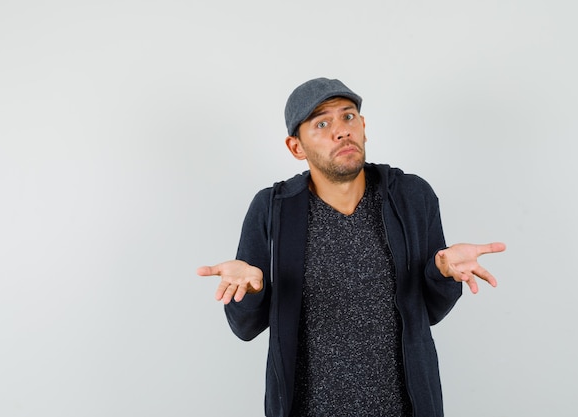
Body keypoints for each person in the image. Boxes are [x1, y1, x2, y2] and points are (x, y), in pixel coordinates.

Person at [196, 77, 505, 417]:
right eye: (322, 123)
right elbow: (245, 327)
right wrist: (252, 290)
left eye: (348, 116)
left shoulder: (411, 197)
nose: (341, 130)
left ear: (363, 127)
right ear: (296, 147)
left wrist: (442, 273)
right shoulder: (273, 208)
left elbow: (429, 312)